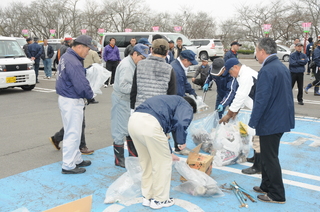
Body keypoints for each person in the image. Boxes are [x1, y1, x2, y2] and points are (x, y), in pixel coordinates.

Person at [128, 95, 197, 210]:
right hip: (150, 125)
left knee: (147, 162)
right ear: (191, 106)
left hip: (134, 122)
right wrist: (181, 142)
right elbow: (180, 123)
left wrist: (169, 152)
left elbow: (161, 134)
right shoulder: (185, 104)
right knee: (163, 164)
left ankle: (147, 196)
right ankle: (160, 200)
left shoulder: (169, 101)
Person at [249, 37, 294, 203]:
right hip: (280, 118)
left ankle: (277, 194)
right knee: (268, 155)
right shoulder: (280, 67)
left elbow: (262, 100)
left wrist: (253, 121)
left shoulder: (267, 70)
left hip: (271, 121)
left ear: (262, 51)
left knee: (270, 157)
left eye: (256, 50)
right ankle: (266, 185)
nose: (255, 54)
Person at [56, 35, 96, 174]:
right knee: (72, 132)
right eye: (87, 49)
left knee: (74, 131)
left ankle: (76, 159)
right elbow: (81, 84)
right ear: (79, 47)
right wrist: (91, 95)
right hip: (71, 99)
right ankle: (68, 165)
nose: (88, 52)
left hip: (66, 97)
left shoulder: (67, 57)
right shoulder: (74, 61)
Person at [218, 58, 261, 175]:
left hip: (262, 110)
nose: (231, 75)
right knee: (255, 135)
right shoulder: (244, 74)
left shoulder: (246, 75)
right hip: (258, 108)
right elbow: (244, 96)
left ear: (235, 68)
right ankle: (256, 159)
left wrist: (229, 114)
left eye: (231, 73)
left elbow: (241, 95)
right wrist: (236, 111)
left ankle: (258, 166)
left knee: (258, 137)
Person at [111, 44, 149, 168]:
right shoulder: (127, 66)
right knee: (120, 130)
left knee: (130, 129)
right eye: (142, 57)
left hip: (128, 101)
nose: (143, 60)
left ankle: (133, 156)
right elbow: (124, 87)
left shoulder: (134, 64)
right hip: (122, 100)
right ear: (134, 54)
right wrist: (139, 89)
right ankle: (119, 159)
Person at [130, 38, 177, 110]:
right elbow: (171, 94)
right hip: (159, 111)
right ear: (167, 53)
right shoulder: (169, 69)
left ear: (151, 50)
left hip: (141, 108)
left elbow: (134, 90)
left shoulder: (140, 65)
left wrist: (133, 108)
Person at [170, 50, 198, 155]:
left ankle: (179, 146)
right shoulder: (175, 69)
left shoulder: (180, 67)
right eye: (190, 62)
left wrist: (192, 92)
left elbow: (184, 83)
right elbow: (176, 88)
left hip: (178, 98)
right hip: (176, 100)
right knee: (179, 124)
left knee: (177, 124)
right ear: (185, 60)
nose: (191, 64)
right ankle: (179, 147)